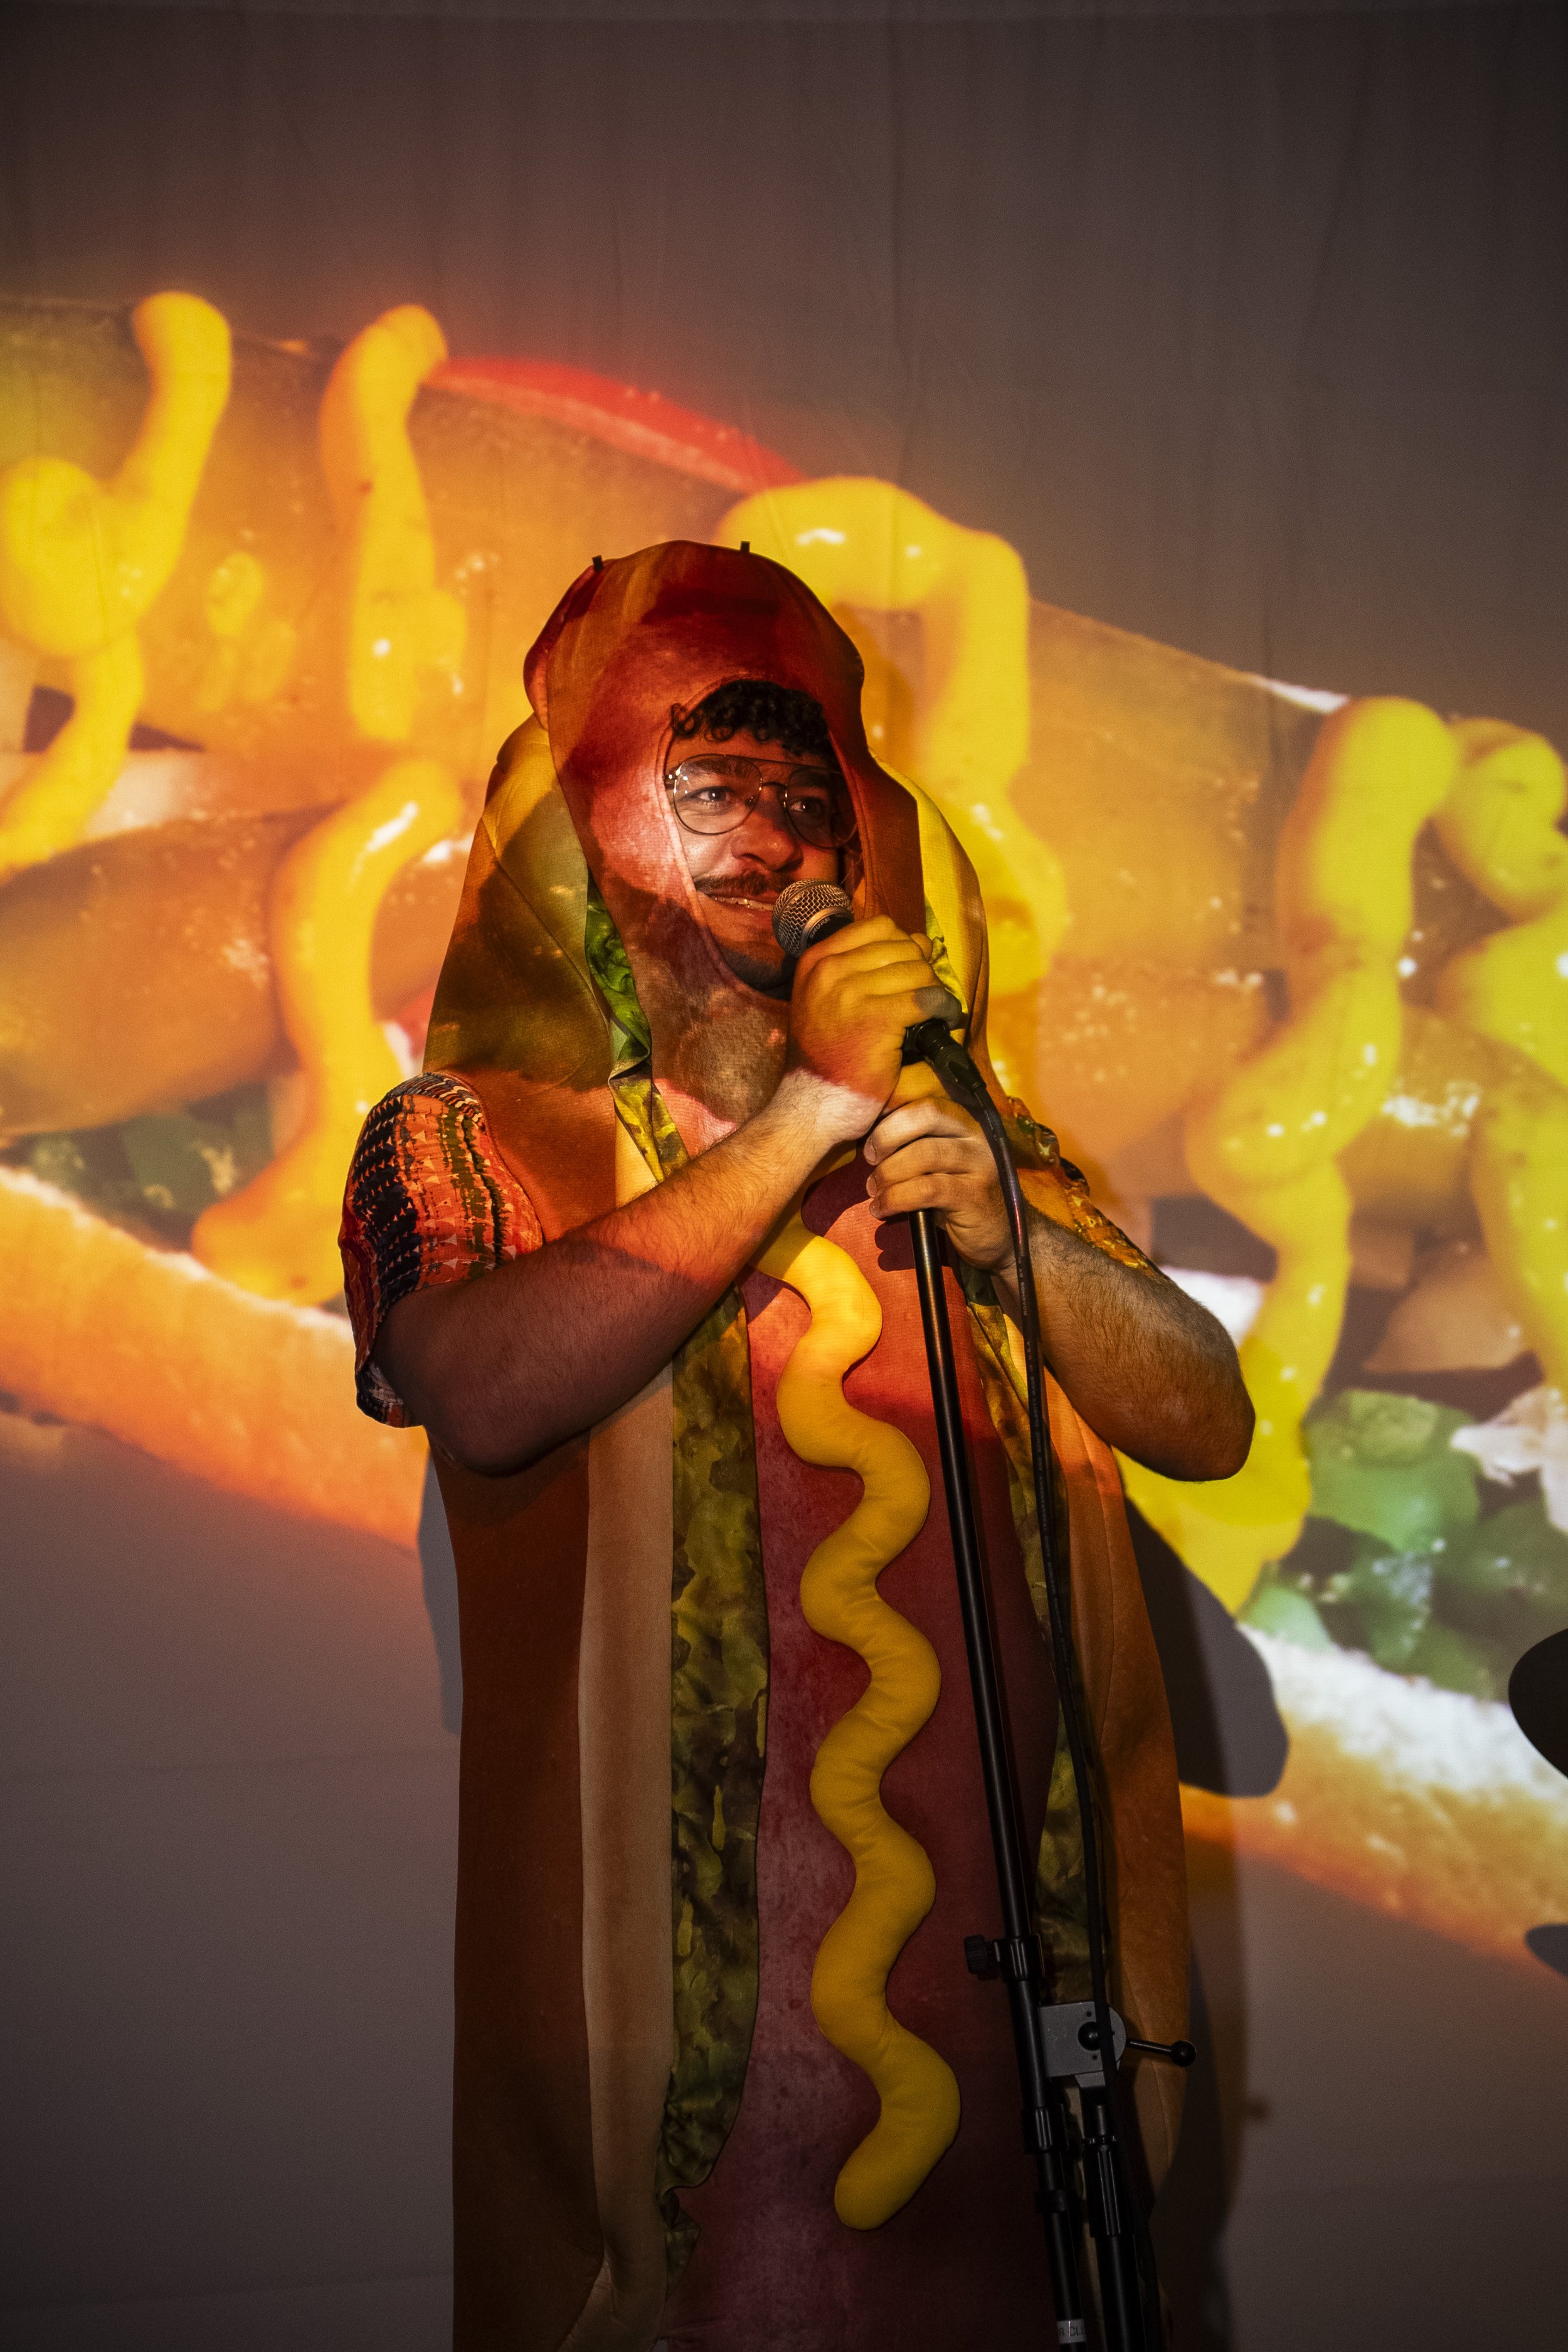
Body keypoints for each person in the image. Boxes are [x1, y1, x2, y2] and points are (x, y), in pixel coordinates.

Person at [341, 540, 1251, 2352]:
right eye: (705, 794)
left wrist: (1012, 1230)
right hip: (662, 2037)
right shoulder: (461, 1129)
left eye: (797, 792)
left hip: (1019, 2010)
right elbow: (480, 1383)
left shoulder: (988, 1149)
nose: (766, 841)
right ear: (578, 849)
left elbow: (1200, 1417)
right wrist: (805, 1122)